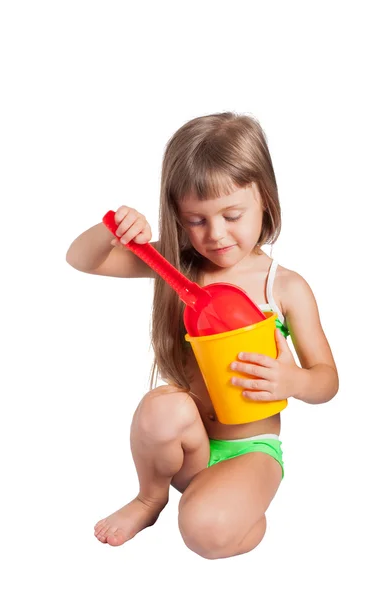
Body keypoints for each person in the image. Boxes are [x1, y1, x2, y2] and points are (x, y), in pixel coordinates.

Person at [66, 112, 339, 560]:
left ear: (265, 201)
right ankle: (150, 498)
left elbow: (327, 380)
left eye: (232, 215)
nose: (215, 235)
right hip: (187, 445)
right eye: (195, 220)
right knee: (161, 407)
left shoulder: (284, 287)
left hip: (250, 451)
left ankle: (233, 508)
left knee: (204, 534)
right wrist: (113, 227)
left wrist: (293, 381)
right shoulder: (178, 269)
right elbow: (83, 260)